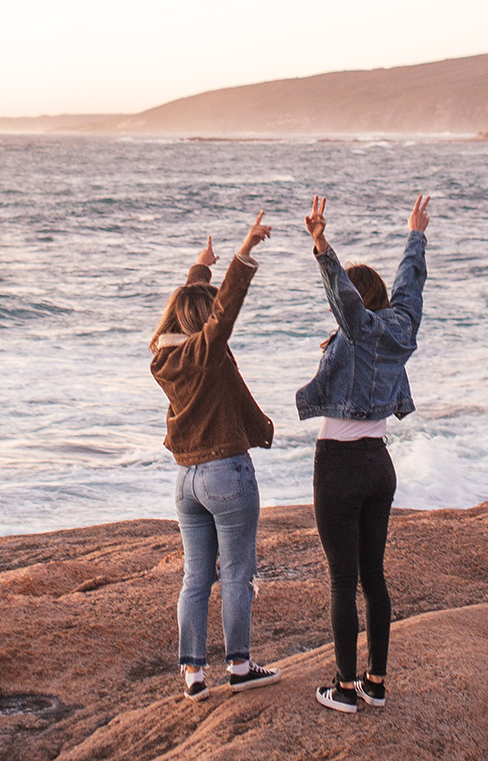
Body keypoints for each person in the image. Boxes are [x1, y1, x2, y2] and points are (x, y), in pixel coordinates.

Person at [296, 194, 430, 714]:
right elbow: (410, 287)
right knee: (373, 578)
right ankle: (376, 682)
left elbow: (344, 299)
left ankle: (345, 688)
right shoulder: (401, 328)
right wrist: (415, 235)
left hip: (340, 466)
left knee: (342, 580)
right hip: (379, 465)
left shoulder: (360, 329)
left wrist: (321, 245)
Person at [149, 210, 285, 702]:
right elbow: (223, 311)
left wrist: (200, 268)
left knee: (195, 578)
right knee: (237, 575)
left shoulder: (164, 358)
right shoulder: (205, 352)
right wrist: (243, 252)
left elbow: (190, 307)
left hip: (186, 481)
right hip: (226, 473)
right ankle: (240, 666)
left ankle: (192, 674)